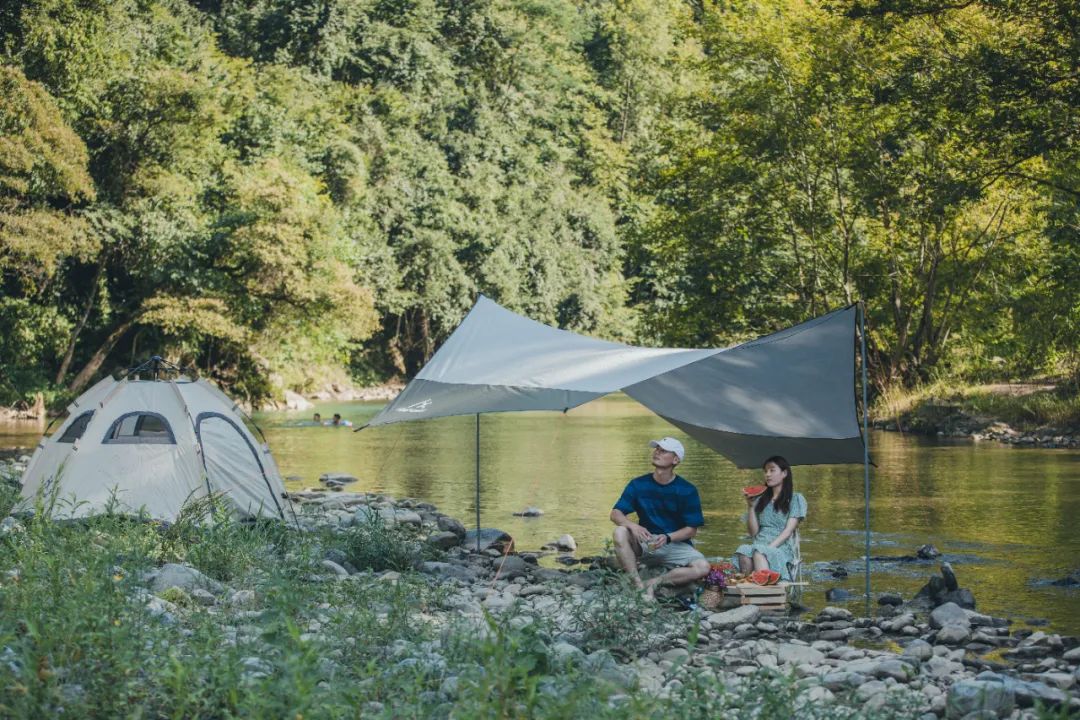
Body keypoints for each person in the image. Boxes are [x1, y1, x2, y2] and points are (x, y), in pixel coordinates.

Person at [610, 436, 709, 599]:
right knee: (620, 531)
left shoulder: (687, 490)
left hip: (674, 543)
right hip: (645, 542)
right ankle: (638, 586)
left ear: (676, 460)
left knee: (703, 567)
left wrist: (668, 537)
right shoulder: (638, 484)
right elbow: (615, 514)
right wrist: (633, 526)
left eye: (663, 451)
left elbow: (691, 530)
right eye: (657, 449)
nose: (657, 452)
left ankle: (652, 582)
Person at [733, 455, 806, 581]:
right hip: (758, 543)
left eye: (772, 470)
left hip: (780, 546)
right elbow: (753, 533)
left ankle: (766, 587)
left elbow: (788, 531)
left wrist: (769, 548)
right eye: (765, 471)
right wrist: (751, 507)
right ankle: (750, 587)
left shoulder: (795, 499)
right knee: (744, 551)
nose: (767, 474)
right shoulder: (760, 499)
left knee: (759, 552)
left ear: (784, 473)